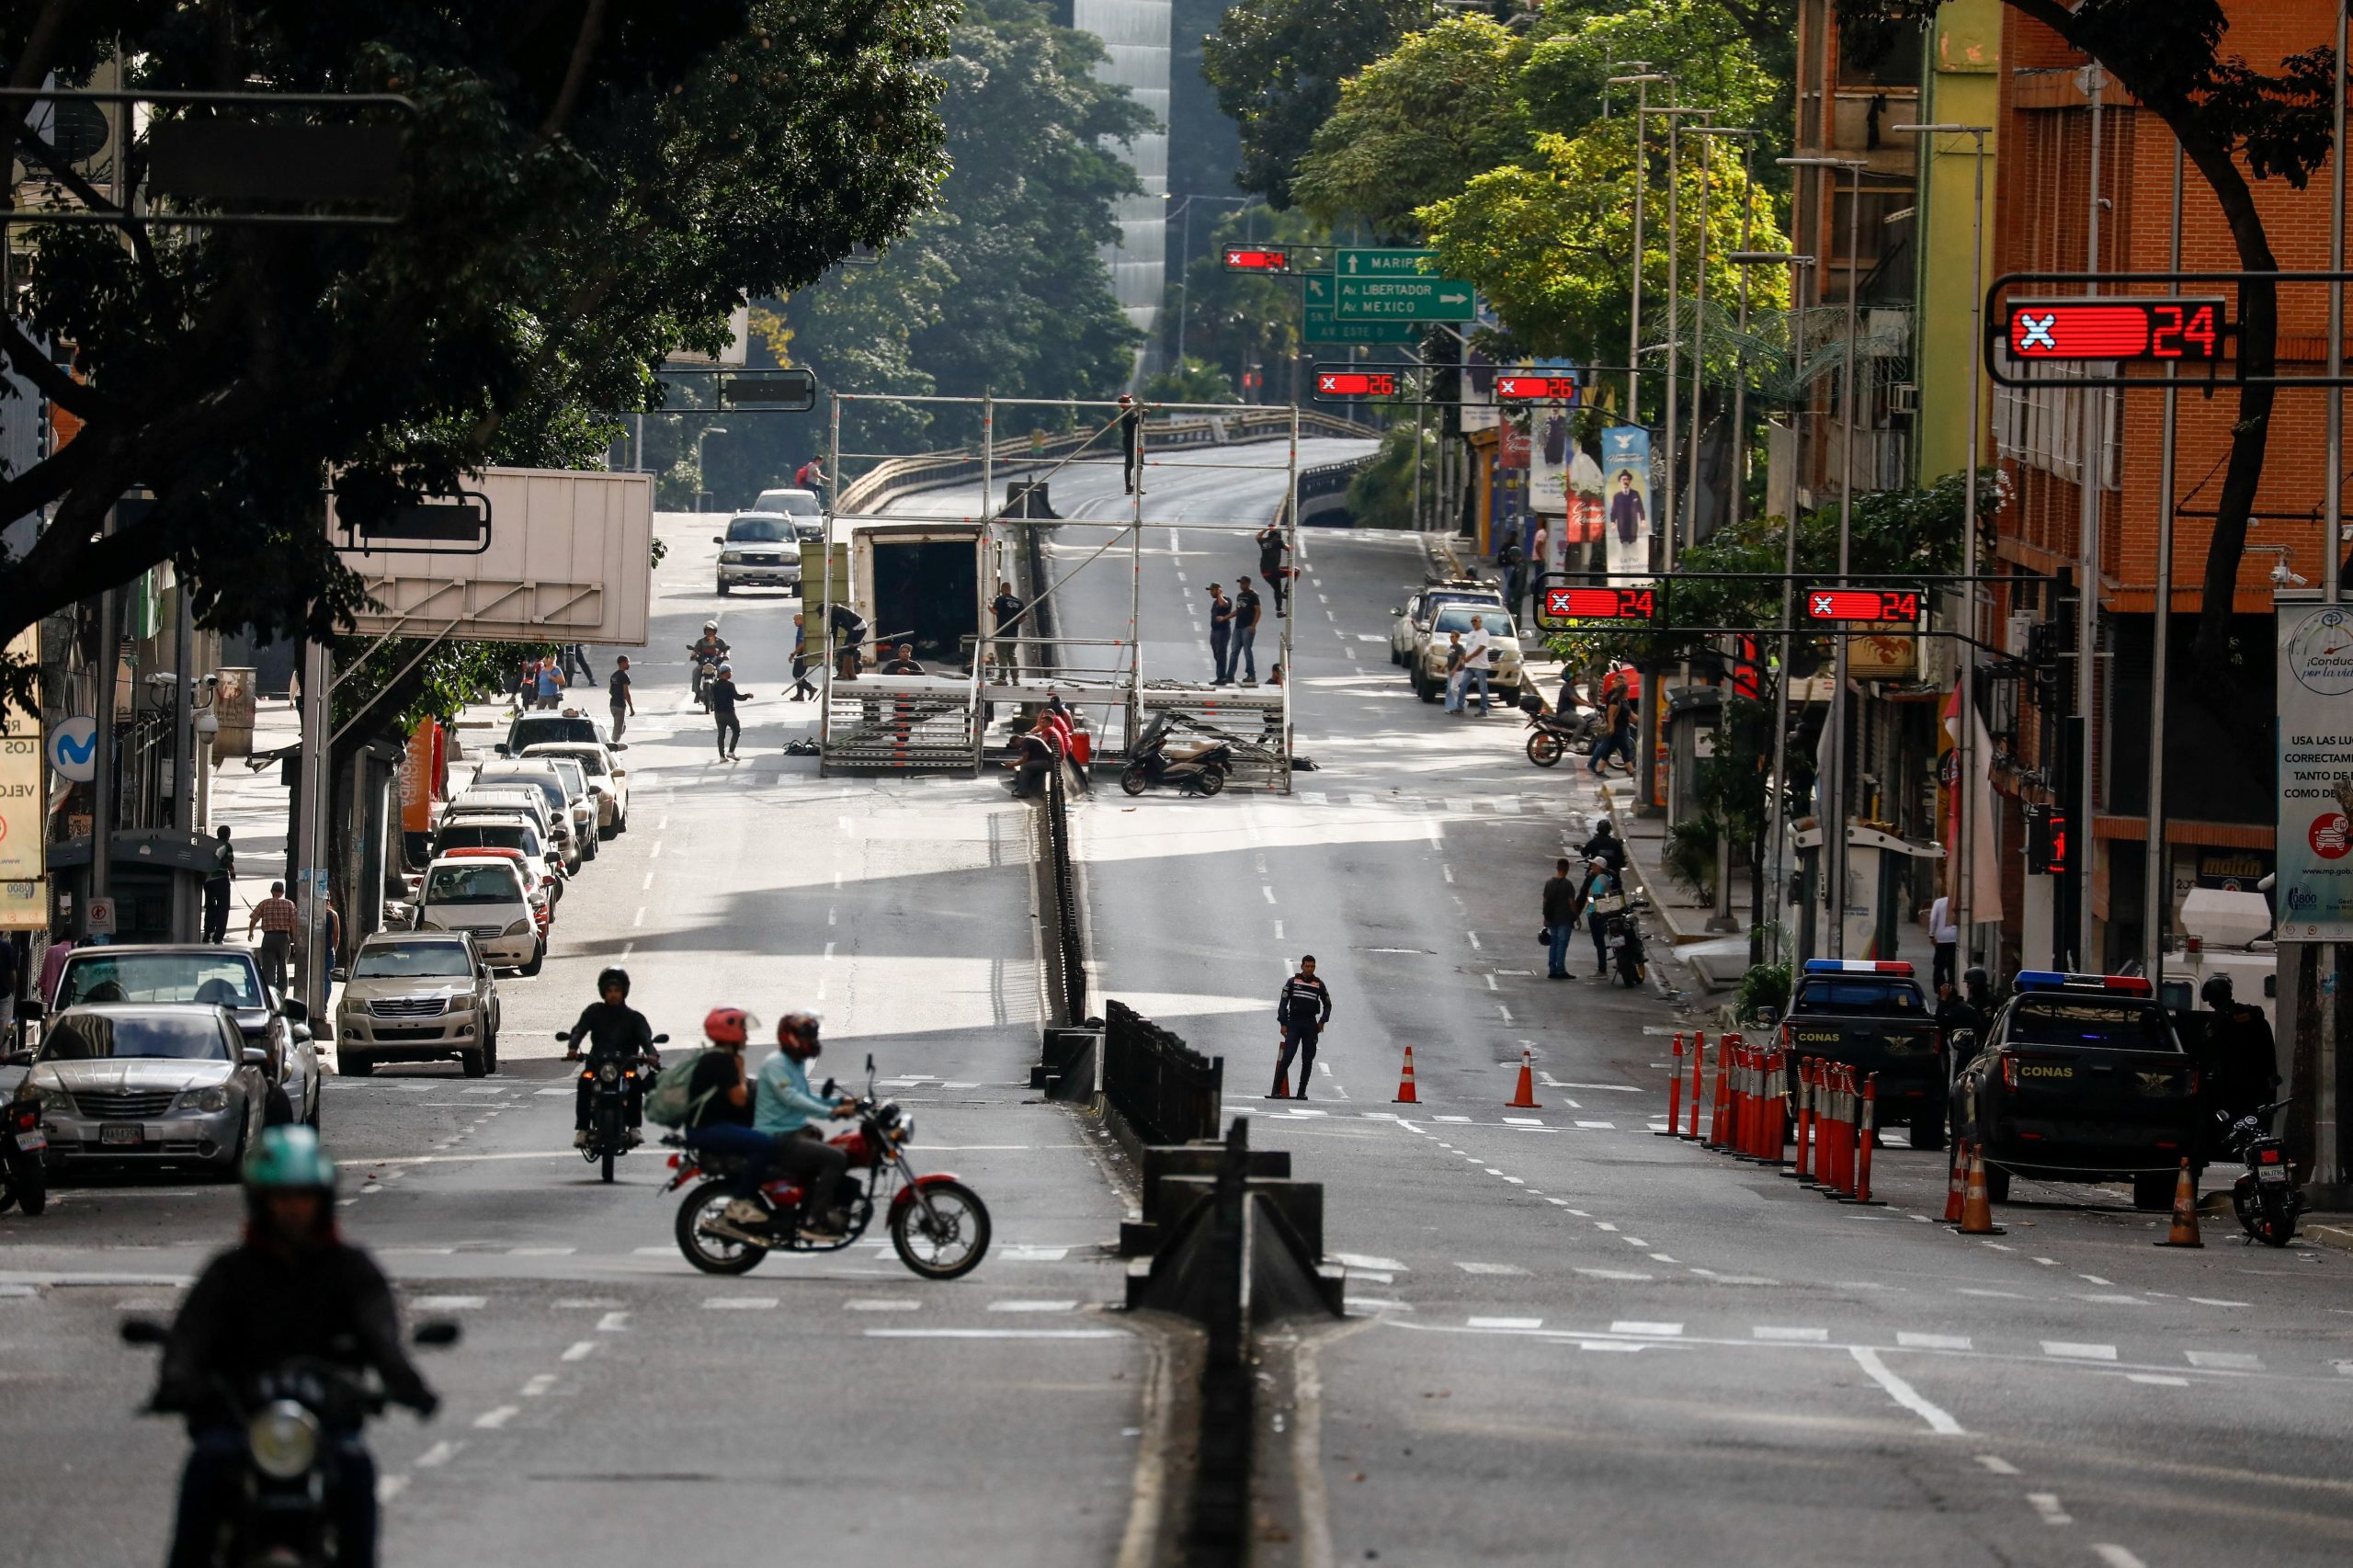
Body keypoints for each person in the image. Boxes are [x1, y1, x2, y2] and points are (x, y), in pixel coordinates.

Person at [155, 1127, 436, 1568]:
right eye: (281, 1198)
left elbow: (381, 1336)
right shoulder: (230, 1272)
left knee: (356, 1466)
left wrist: (407, 1383)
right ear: (260, 1201)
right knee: (207, 1463)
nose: (292, 1210)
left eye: (303, 1197)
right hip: (242, 1420)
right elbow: (191, 1334)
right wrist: (177, 1379)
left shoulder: (350, 1270)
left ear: (321, 1201)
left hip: (323, 1423)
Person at [755, 1013, 858, 1241]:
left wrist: (843, 1104)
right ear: (790, 1038)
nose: (812, 1042)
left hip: (792, 1133)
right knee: (836, 1158)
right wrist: (831, 1111)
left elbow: (807, 1098)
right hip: (778, 1138)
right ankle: (814, 1221)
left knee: (841, 1149)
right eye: (807, 1037)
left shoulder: (794, 1064)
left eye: (813, 1037)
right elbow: (792, 1098)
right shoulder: (776, 1064)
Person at [679, 1006, 781, 1236]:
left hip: (713, 1126)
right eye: (743, 1031)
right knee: (766, 1144)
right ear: (731, 1035)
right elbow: (739, 1098)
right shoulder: (723, 1062)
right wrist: (742, 1074)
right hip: (709, 1130)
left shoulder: (716, 1059)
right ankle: (740, 1202)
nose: (746, 1036)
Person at [566, 967, 658, 1146]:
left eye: (617, 991)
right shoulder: (594, 1012)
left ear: (624, 992)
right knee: (584, 1081)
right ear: (603, 992)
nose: (613, 995)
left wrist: (652, 1055)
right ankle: (583, 1130)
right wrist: (573, 1047)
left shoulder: (635, 1018)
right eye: (610, 991)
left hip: (625, 1065)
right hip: (597, 1063)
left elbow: (646, 1039)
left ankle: (633, 1128)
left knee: (636, 1083)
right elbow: (579, 1030)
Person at [2202, 973, 2280, 1132]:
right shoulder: (2255, 1018)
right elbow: (2269, 1052)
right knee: (2257, 1124)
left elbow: (2209, 1051)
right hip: (2257, 1086)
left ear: (2216, 998)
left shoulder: (2218, 1022)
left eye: (2211, 1000)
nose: (2210, 1004)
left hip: (2230, 1087)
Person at [1273, 956, 1333, 1099]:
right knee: (1288, 1056)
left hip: (1310, 1025)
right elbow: (1283, 1003)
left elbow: (1328, 1004)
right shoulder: (1292, 982)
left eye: (1312, 966)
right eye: (1307, 966)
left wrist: (1322, 1021)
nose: (1310, 969)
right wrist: (1283, 1023)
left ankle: (1301, 1092)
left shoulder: (1319, 984)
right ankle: (1276, 1090)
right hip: (1294, 1023)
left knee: (1307, 1060)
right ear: (1302, 966)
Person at [247, 881, 298, 996]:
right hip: (284, 938)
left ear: (271, 891)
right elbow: (294, 923)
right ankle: (280, 995)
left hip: (268, 937)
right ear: (283, 892)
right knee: (283, 967)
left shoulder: (264, 903)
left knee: (268, 968)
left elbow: (253, 920)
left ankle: (269, 994)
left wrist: (251, 933)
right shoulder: (289, 904)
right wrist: (294, 939)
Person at [1542, 858, 1583, 981]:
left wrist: (1545, 917)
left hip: (1552, 918)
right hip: (1564, 919)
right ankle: (1561, 969)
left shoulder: (1549, 883)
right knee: (1562, 944)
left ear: (1557, 868)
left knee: (1553, 943)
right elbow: (1571, 902)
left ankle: (1552, 969)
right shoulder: (1568, 884)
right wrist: (1577, 916)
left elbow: (1545, 901)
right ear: (1567, 869)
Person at [706, 665, 751, 760]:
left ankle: (721, 756)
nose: (731, 674)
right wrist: (747, 695)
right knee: (737, 731)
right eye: (730, 672)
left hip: (718, 714)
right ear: (726, 673)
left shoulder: (714, 685)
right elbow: (737, 697)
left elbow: (711, 698)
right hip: (729, 713)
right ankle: (731, 752)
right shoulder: (730, 685)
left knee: (721, 735)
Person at [1582, 859, 1618, 977]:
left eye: (1594, 865)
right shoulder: (1604, 878)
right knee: (1599, 943)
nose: (1591, 866)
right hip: (1600, 913)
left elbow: (1595, 897)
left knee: (1599, 943)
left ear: (1599, 867)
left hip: (1596, 914)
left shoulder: (1600, 879)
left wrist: (1590, 906)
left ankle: (1602, 970)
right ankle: (1602, 969)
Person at [1587, 686, 1634, 775]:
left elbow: (1631, 714)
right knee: (1625, 749)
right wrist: (1612, 727)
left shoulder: (1625, 701)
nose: (1629, 693)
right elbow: (1610, 715)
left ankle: (1599, 769)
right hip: (1617, 729)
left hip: (1623, 728)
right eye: (1628, 692)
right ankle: (1631, 770)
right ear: (1623, 692)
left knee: (1609, 749)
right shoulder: (1615, 701)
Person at [1006, 722, 1056, 799]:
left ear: (1017, 740)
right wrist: (1015, 763)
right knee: (1032, 768)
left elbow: (1024, 759)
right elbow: (1026, 758)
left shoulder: (1025, 741)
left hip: (1046, 762)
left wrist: (1012, 764)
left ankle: (1023, 792)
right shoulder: (1029, 739)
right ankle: (1034, 791)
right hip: (1049, 761)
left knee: (1024, 767)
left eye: (1015, 745)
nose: (1018, 747)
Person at [202, 825, 235, 944]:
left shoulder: (210, 844)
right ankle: (218, 937)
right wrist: (232, 873)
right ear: (228, 834)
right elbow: (229, 862)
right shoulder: (227, 846)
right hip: (221, 880)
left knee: (210, 907)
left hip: (208, 880)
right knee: (223, 908)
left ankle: (207, 934)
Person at [1233, 574, 1263, 684]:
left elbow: (1258, 611)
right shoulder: (1239, 595)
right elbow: (1238, 611)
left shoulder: (1253, 595)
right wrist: (1225, 618)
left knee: (1247, 651)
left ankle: (1251, 674)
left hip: (1247, 627)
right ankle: (1230, 675)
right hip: (1238, 627)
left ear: (1248, 584)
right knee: (1234, 651)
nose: (1241, 585)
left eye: (1243, 583)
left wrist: (1253, 625)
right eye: (1240, 583)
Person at [991, 580, 1025, 675]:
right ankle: (1015, 678)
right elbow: (1024, 616)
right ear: (1010, 590)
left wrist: (989, 607)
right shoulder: (1018, 601)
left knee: (1002, 655)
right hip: (1013, 634)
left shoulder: (1001, 599)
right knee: (1012, 655)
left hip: (1002, 633)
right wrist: (1015, 623)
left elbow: (995, 611)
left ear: (1002, 589)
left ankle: (1002, 678)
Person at [1927, 893, 1960, 992]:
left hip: (1941, 938)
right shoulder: (1957, 902)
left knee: (1939, 965)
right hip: (1954, 936)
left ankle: (1939, 987)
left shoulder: (1939, 902)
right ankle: (1952, 986)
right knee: (1952, 965)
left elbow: (1933, 919)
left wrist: (1931, 934)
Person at [1256, 522, 1289, 617]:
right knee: (1296, 571)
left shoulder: (1263, 541)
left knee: (1277, 589)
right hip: (1274, 571)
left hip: (1265, 573)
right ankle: (1286, 592)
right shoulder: (1278, 541)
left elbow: (1257, 536)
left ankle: (1279, 611)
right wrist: (1288, 543)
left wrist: (1266, 529)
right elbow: (1290, 549)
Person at [1207, 584, 1233, 684]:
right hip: (1214, 631)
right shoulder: (1214, 603)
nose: (1210, 592)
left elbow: (1223, 604)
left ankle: (1221, 677)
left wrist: (1219, 594)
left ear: (1218, 590)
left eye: (1212, 590)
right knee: (1216, 654)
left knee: (1221, 654)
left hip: (1223, 631)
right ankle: (1221, 675)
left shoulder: (1226, 600)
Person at [608, 654, 634, 744]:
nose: (629, 664)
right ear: (622, 663)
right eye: (628, 662)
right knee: (617, 731)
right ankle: (612, 747)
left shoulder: (614, 675)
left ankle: (612, 742)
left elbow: (610, 691)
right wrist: (631, 707)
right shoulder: (624, 676)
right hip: (619, 705)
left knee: (622, 727)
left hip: (612, 705)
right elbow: (626, 693)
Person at [789, 615, 817, 700]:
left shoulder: (803, 629)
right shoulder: (801, 628)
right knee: (799, 674)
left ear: (801, 619)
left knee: (796, 674)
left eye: (796, 620)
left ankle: (810, 688)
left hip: (803, 653)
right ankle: (800, 695)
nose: (794, 622)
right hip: (804, 652)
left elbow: (802, 644)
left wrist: (793, 654)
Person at [1442, 631, 1468, 714]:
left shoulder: (1459, 647)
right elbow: (1449, 659)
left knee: (1453, 688)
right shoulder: (1451, 647)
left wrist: (1454, 670)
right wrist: (1444, 667)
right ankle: (1453, 706)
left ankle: (1461, 702)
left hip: (1458, 671)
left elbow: (1460, 660)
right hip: (1450, 671)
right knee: (1450, 689)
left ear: (1457, 638)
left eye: (1453, 637)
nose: (1451, 638)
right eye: (1451, 636)